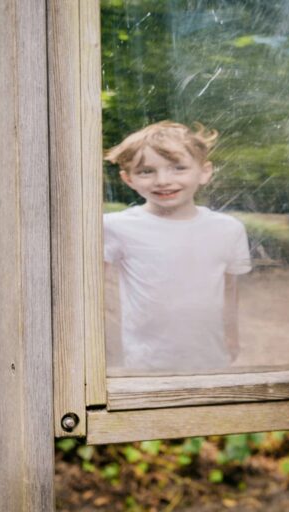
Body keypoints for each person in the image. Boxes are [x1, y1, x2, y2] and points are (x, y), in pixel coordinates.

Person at [103, 121, 251, 372]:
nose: (163, 180)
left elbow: (229, 290)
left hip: (210, 359)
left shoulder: (228, 229)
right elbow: (94, 293)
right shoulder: (115, 227)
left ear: (204, 172)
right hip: (144, 363)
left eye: (178, 168)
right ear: (127, 178)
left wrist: (232, 335)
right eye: (146, 171)